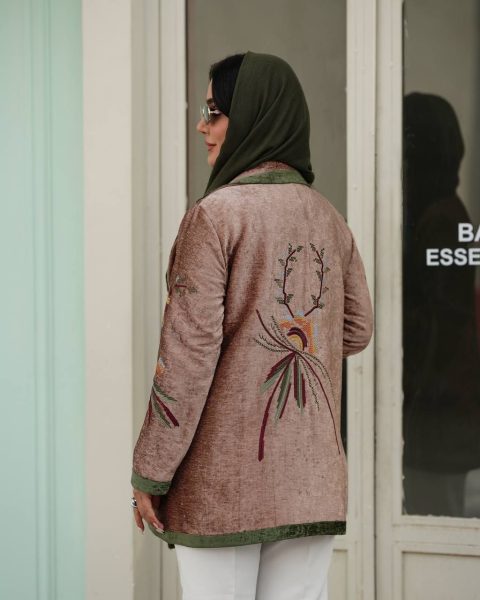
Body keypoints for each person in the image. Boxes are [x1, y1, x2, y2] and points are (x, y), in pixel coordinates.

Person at [130, 50, 374, 599]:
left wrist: (150, 472)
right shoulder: (329, 218)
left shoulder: (216, 217)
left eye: (214, 111)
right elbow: (356, 329)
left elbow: (186, 359)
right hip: (309, 482)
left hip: (223, 487)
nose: (202, 125)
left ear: (255, 117)